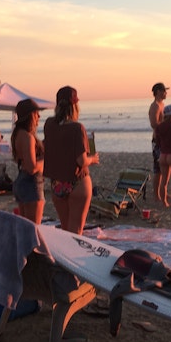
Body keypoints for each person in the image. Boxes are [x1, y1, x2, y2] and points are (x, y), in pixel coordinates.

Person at [43, 86, 99, 234]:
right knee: (76, 232)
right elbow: (81, 161)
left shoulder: (49, 124)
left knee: (65, 229)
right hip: (77, 181)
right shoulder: (77, 128)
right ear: (74, 105)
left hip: (57, 183)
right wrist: (93, 159)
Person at [11, 98, 45, 223]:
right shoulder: (28, 137)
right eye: (36, 113)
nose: (39, 116)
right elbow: (32, 168)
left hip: (21, 180)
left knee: (24, 227)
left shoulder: (17, 134)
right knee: (33, 230)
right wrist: (45, 160)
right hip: (31, 182)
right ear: (30, 115)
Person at [148, 82, 168, 201]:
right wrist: (165, 125)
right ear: (159, 92)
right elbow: (153, 123)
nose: (166, 93)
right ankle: (157, 194)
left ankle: (162, 191)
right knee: (158, 168)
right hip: (157, 140)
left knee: (165, 167)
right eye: (164, 91)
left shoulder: (162, 104)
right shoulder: (155, 106)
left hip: (164, 139)